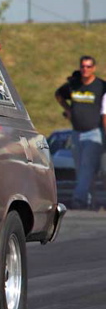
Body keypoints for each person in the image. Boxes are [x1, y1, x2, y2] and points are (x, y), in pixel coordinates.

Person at [55, 55, 106, 209]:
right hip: (76, 132)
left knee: (86, 166)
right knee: (81, 169)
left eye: (89, 66)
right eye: (83, 66)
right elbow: (59, 95)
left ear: (94, 68)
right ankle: (92, 201)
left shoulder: (100, 86)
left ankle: (79, 199)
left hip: (94, 132)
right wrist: (68, 110)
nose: (85, 69)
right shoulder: (74, 85)